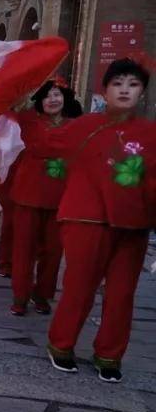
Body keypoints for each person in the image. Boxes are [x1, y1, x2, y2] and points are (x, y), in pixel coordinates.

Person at [40, 58, 154, 382]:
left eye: (132, 85)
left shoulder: (151, 133)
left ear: (142, 92)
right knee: (80, 285)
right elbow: (44, 146)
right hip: (86, 219)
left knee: (121, 293)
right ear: (105, 89)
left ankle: (110, 354)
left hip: (133, 224)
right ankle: (61, 344)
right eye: (118, 84)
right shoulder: (85, 125)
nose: (124, 90)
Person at [8, 79, 83, 316]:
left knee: (52, 251)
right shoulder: (28, 119)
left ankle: (42, 294)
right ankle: (20, 295)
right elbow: (12, 109)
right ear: (39, 100)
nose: (53, 99)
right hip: (27, 194)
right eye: (47, 95)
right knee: (23, 249)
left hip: (60, 198)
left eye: (57, 94)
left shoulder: (76, 125)